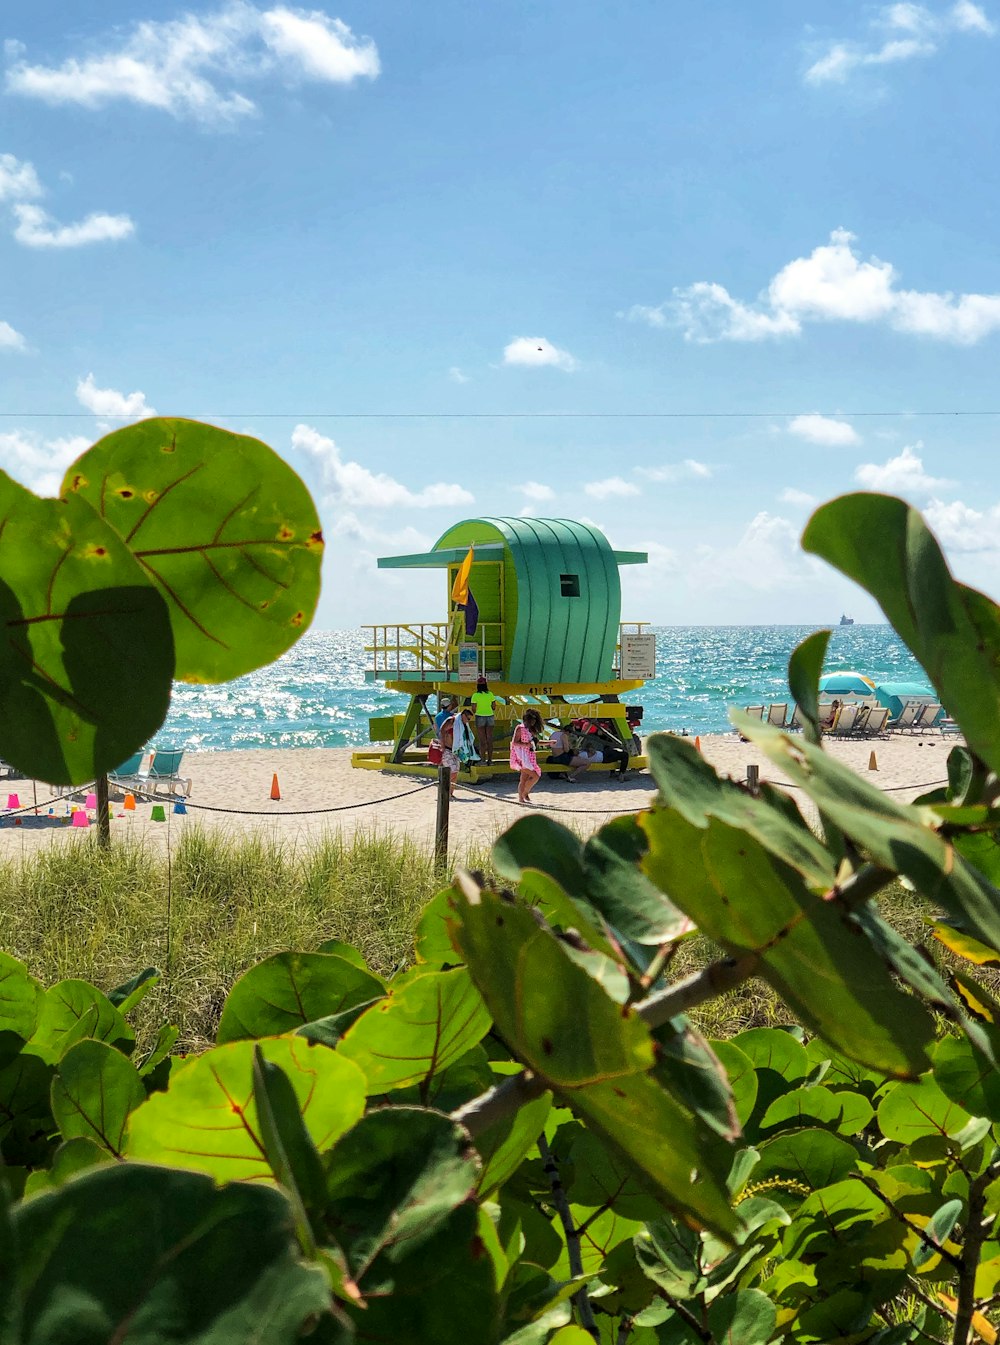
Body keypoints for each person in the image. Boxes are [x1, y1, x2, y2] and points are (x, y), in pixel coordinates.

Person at [510, 708, 543, 804]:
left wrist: (549, 743)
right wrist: (526, 745)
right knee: (535, 776)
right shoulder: (520, 728)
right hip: (521, 757)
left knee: (524, 778)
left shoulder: (530, 730)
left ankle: (521, 797)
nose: (533, 723)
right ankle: (524, 793)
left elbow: (536, 742)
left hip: (529, 756)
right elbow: (514, 742)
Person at [471, 677, 500, 765]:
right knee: (489, 739)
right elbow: (494, 706)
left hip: (480, 716)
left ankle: (483, 760)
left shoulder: (475, 695)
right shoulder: (490, 694)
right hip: (490, 716)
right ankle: (490, 760)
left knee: (482, 740)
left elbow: (473, 708)